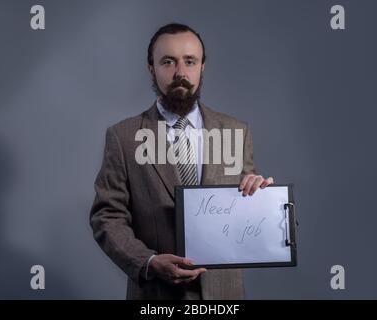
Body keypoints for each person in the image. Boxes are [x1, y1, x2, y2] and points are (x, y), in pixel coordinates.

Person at [89, 23, 274, 300]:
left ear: (202, 67)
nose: (180, 73)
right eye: (168, 62)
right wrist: (149, 262)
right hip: (156, 296)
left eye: (190, 61)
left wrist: (261, 198)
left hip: (225, 297)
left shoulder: (236, 131)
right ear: (151, 68)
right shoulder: (123, 137)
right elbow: (107, 216)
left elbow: (246, 213)